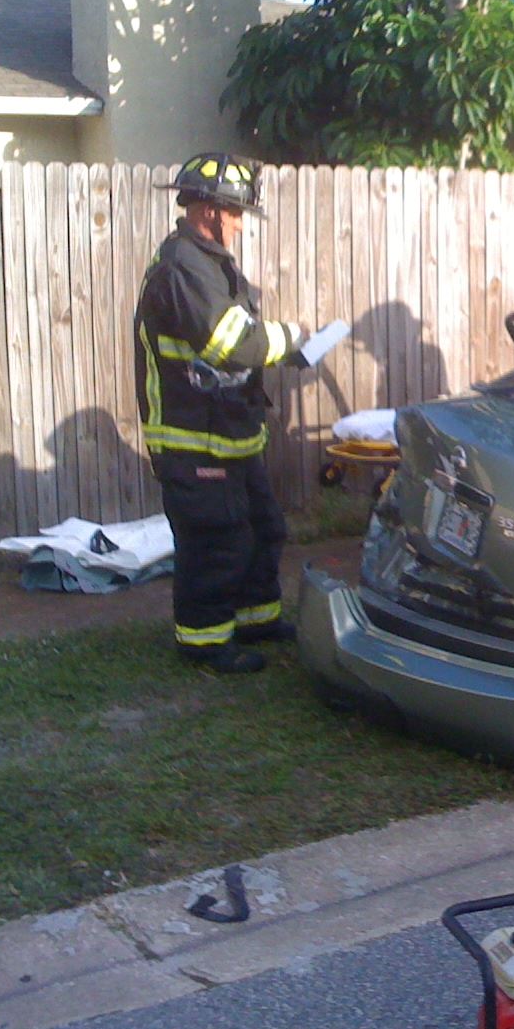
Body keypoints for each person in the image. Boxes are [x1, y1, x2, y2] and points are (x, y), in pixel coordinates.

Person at [133, 153, 311, 674]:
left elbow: (242, 339)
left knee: (261, 526)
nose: (238, 224)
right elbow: (228, 343)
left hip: (230, 433)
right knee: (216, 538)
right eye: (235, 213)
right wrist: (289, 337)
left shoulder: (209, 263)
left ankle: (256, 617)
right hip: (193, 440)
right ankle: (205, 641)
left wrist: (278, 348)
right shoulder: (183, 267)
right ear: (210, 210)